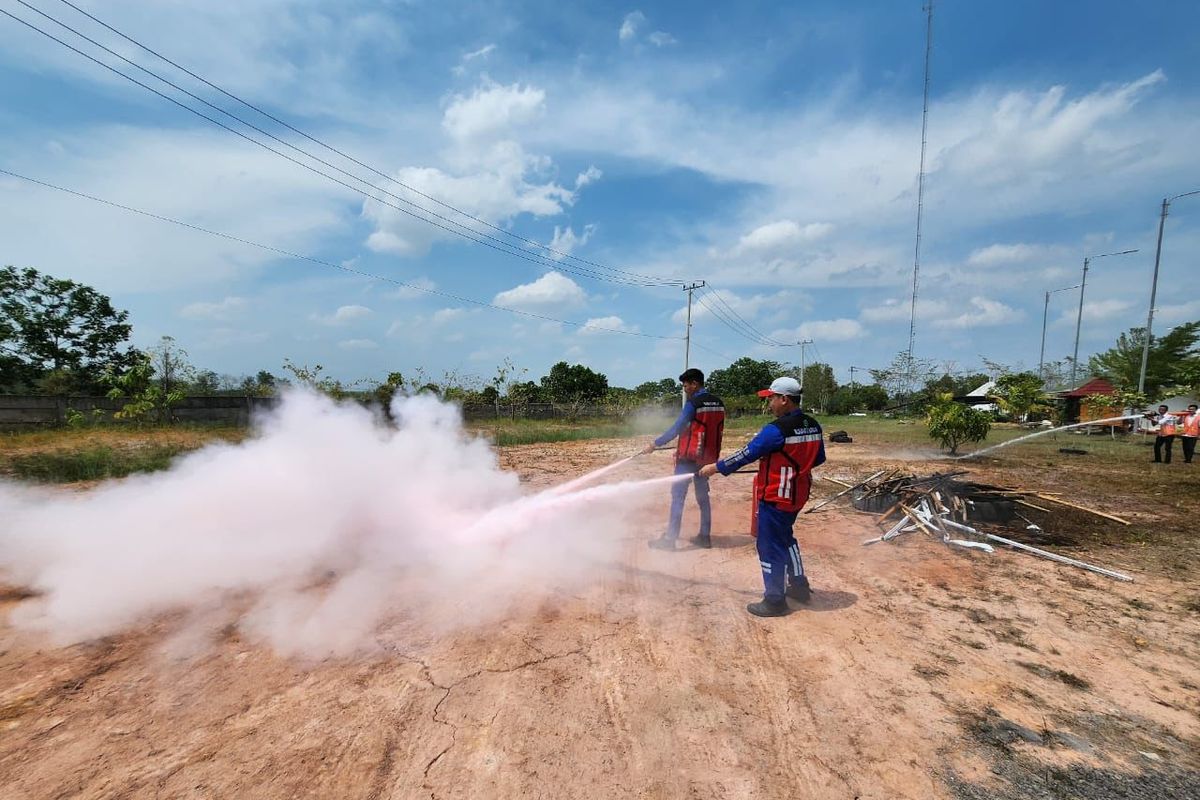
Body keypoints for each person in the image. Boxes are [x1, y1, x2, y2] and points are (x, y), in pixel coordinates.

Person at [700, 377, 825, 617]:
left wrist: (714, 468)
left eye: (771, 399)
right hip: (798, 494)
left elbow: (745, 455)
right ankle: (799, 586)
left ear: (784, 399)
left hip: (777, 495)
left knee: (769, 545)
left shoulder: (775, 430)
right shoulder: (813, 424)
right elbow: (817, 459)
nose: (769, 404)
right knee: (786, 537)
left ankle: (775, 600)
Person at [641, 368, 725, 550]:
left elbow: (677, 428)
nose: (685, 389)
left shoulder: (694, 403)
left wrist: (655, 444)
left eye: (686, 386)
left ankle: (670, 540)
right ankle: (704, 536)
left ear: (695, 384)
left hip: (688, 460)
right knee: (703, 497)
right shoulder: (719, 403)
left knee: (678, 496)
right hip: (706, 459)